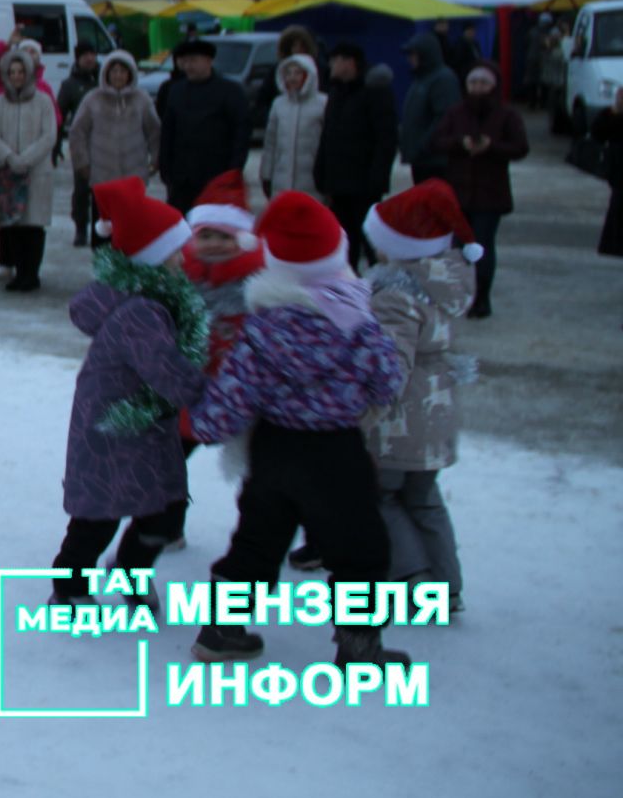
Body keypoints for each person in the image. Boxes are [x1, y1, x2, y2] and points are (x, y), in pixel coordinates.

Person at [185, 192, 409, 668]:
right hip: (336, 452)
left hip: (275, 450)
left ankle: (221, 630)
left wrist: (205, 425)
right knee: (359, 549)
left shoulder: (263, 329)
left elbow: (233, 391)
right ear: (337, 254)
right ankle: (359, 646)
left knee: (256, 541)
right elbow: (389, 380)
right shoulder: (358, 322)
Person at [49, 177, 207, 611]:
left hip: (138, 424)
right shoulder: (142, 313)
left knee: (165, 509)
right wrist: (207, 394)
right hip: (113, 428)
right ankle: (69, 587)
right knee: (98, 515)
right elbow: (165, 368)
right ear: (153, 259)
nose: (184, 257)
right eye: (176, 250)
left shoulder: (150, 297)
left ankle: (131, 568)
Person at [362, 181, 482, 614]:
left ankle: (416, 581)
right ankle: (448, 587)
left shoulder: (395, 296)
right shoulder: (447, 282)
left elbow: (391, 366)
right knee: (425, 498)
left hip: (400, 421)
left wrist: (365, 416)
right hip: (437, 411)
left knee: (386, 496)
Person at [170, 172, 265, 554]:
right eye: (206, 235)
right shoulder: (180, 277)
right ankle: (165, 523)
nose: (214, 244)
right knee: (171, 459)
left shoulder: (259, 284)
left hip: (246, 393)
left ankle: (257, 537)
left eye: (224, 237)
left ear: (242, 239)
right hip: (191, 389)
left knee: (261, 473)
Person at [432, 62, 529, 318]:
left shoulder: (506, 114)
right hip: (459, 192)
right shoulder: (456, 113)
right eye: (473, 82)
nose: (477, 88)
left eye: (483, 83)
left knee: (482, 246)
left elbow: (520, 147)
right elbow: (437, 141)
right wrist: (460, 143)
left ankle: (482, 298)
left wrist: (492, 146)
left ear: (493, 86)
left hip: (491, 193)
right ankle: (459, 295)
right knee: (458, 249)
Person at [314, 43, 399, 270]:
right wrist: (321, 171)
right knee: (343, 241)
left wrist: (377, 179)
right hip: (338, 183)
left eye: (335, 60)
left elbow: (386, 139)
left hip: (364, 183)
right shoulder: (337, 91)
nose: (331, 65)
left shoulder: (375, 91)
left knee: (371, 240)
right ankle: (347, 288)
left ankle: (380, 287)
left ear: (349, 62)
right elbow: (328, 135)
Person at [69, 50, 160, 248]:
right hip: (102, 176)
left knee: (132, 229)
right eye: (114, 71)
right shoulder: (93, 99)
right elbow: (77, 133)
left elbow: (154, 131)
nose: (118, 75)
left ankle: (130, 272)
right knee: (103, 229)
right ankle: (102, 273)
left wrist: (155, 159)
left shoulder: (142, 99)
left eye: (122, 71)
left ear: (130, 74)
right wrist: (82, 163)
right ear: (106, 74)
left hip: (133, 175)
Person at [0, 45, 56, 292]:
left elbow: (49, 136)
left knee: (33, 226)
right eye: (12, 71)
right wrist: (9, 156)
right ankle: (18, 273)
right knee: (14, 226)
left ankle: (31, 274)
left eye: (21, 71)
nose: (17, 76)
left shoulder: (43, 101)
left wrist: (25, 159)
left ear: (29, 73)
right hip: (9, 173)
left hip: (36, 172)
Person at [156, 38, 250, 213]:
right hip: (182, 178)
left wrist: (234, 168)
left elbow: (241, 132)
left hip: (216, 174)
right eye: (186, 61)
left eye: (194, 60)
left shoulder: (230, 91)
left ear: (208, 61)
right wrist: (165, 168)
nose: (189, 66)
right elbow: (168, 131)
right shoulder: (176, 91)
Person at [399, 31, 462, 184]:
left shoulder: (442, 79)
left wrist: (424, 146)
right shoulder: (422, 78)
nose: (410, 59)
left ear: (425, 54)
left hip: (435, 161)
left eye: (414, 54)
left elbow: (444, 117)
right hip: (422, 159)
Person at [260, 54, 325, 200]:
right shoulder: (278, 104)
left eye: (298, 72)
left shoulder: (323, 104)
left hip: (312, 183)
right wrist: (266, 175)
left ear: (309, 75)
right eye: (288, 73)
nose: (292, 77)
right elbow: (270, 143)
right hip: (281, 182)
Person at [56, 44, 103, 247]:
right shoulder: (69, 85)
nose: (89, 58)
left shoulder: (104, 80)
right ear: (77, 58)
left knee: (103, 190)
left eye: (92, 54)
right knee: (82, 189)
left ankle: (101, 230)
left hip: (105, 143)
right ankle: (80, 228)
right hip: (81, 144)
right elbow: (60, 115)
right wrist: (56, 145)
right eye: (85, 55)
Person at [594, 86, 623, 257]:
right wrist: (614, 112)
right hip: (618, 168)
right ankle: (614, 244)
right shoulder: (613, 114)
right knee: (618, 205)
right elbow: (598, 133)